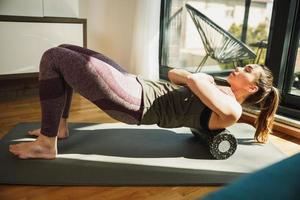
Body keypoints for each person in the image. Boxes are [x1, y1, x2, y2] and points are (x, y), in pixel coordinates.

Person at [9, 44, 280, 159]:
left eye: (247, 70)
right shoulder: (219, 87)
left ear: (252, 87)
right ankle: (59, 127)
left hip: (136, 102)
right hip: (135, 83)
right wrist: (196, 80)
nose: (241, 68)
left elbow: (193, 81)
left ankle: (47, 144)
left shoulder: (232, 109)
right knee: (66, 48)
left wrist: (197, 80)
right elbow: (174, 74)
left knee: (53, 57)